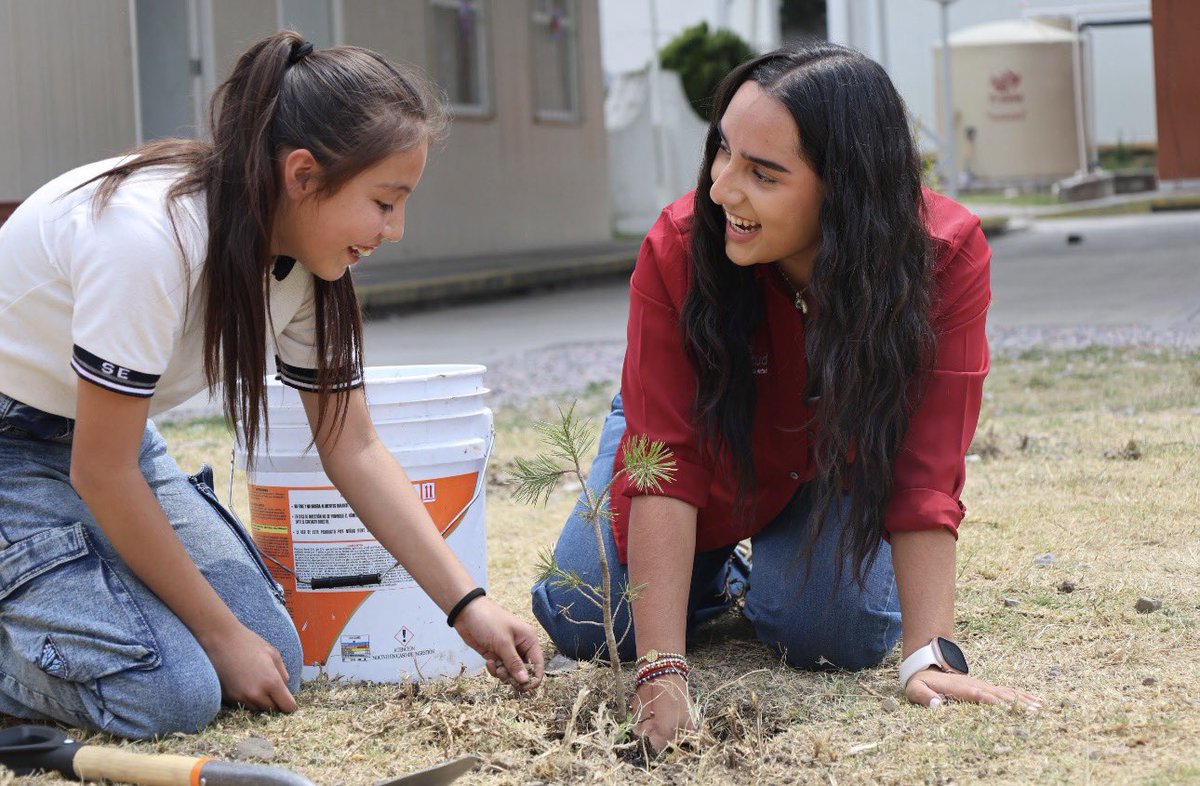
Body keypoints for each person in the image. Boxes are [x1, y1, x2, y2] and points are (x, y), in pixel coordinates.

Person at [0, 31, 542, 741]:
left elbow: (352, 446)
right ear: (302, 174)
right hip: (21, 445)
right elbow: (101, 472)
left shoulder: (305, 264)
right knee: (175, 694)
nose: (397, 229)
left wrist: (468, 605)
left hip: (105, 446)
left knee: (275, 656)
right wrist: (218, 637)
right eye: (385, 200)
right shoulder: (146, 240)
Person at [530, 43, 1041, 752]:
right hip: (696, 441)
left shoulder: (944, 255)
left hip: (837, 459)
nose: (721, 189)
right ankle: (714, 573)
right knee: (583, 617)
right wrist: (662, 670)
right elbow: (664, 459)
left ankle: (765, 568)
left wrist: (931, 652)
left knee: (833, 636)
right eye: (722, 153)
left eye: (762, 174)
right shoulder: (681, 244)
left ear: (846, 187)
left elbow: (927, 463)